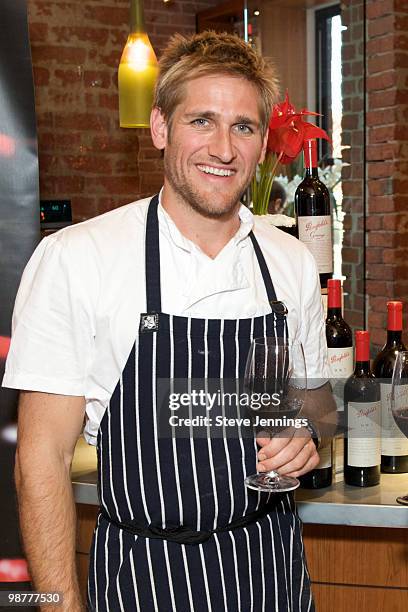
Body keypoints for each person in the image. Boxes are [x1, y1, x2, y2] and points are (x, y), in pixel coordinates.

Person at [3, 31, 335, 612]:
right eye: (201, 120)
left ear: (262, 146)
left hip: (271, 572)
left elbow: (315, 408)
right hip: (145, 580)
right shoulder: (78, 259)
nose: (224, 149)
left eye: (244, 127)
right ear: (160, 127)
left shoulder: (290, 263)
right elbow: (40, 461)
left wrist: (309, 437)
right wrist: (57, 606)